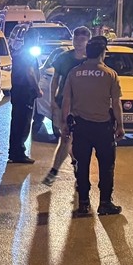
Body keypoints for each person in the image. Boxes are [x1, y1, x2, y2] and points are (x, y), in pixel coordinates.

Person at [60, 35, 124, 217]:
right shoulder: (110, 74)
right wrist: (120, 125)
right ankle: (105, 203)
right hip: (103, 128)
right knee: (106, 166)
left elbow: (66, 100)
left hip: (81, 127)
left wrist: (64, 123)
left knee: (82, 165)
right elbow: (116, 103)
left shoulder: (74, 73)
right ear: (102, 53)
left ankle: (83, 203)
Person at [41, 25, 92, 186]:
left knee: (71, 140)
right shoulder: (64, 58)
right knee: (66, 138)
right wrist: (52, 101)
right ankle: (67, 167)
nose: (78, 42)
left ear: (88, 41)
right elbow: (55, 79)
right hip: (65, 104)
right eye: (76, 39)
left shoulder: (91, 60)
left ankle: (59, 170)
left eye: (82, 39)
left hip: (83, 106)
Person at [8, 36, 41, 163]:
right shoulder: (29, 55)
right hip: (25, 92)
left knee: (16, 122)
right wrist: (37, 89)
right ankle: (19, 153)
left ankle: (13, 152)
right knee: (24, 123)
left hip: (17, 91)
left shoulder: (18, 53)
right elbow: (30, 72)